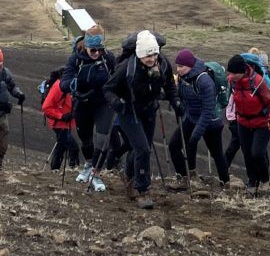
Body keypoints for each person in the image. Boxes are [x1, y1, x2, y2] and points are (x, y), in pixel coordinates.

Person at [103, 30, 173, 209]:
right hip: (129, 112)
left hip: (148, 111)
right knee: (143, 149)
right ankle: (142, 190)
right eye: (147, 55)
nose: (151, 58)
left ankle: (129, 176)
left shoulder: (163, 64)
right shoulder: (127, 67)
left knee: (142, 149)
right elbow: (108, 88)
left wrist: (176, 100)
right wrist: (117, 103)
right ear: (139, 54)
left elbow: (170, 85)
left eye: (154, 54)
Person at [60, 26, 116, 188]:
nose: (96, 53)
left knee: (103, 138)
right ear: (86, 46)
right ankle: (89, 165)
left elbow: (118, 76)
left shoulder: (108, 58)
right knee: (85, 140)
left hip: (103, 104)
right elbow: (64, 83)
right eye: (93, 50)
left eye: (99, 49)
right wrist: (73, 84)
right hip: (82, 103)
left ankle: (96, 173)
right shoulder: (75, 59)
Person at [168, 49, 230, 188]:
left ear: (190, 65)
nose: (178, 69)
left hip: (210, 122)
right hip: (192, 117)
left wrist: (196, 133)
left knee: (217, 154)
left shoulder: (204, 80)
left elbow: (208, 110)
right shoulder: (184, 77)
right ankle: (186, 179)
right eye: (177, 66)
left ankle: (226, 184)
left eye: (181, 66)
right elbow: (181, 96)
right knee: (174, 145)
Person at [226, 54, 270, 192]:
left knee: (257, 153)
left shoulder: (258, 82)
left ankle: (265, 181)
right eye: (230, 72)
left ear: (242, 71)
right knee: (247, 154)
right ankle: (252, 182)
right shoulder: (232, 81)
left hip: (261, 123)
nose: (230, 75)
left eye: (233, 72)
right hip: (242, 122)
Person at [40, 67, 80, 171]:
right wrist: (61, 116)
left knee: (62, 145)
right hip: (59, 122)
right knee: (72, 146)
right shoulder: (59, 87)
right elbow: (46, 107)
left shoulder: (66, 85)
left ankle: (55, 169)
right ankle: (72, 167)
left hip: (64, 122)